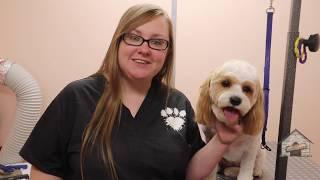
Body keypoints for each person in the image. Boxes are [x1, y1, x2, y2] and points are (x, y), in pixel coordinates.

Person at [20, 3, 242, 180]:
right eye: (134, 37)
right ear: (118, 42)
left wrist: (221, 141)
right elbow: (44, 169)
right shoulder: (76, 97)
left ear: (167, 52)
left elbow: (189, 171)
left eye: (157, 42)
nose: (144, 49)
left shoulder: (177, 102)